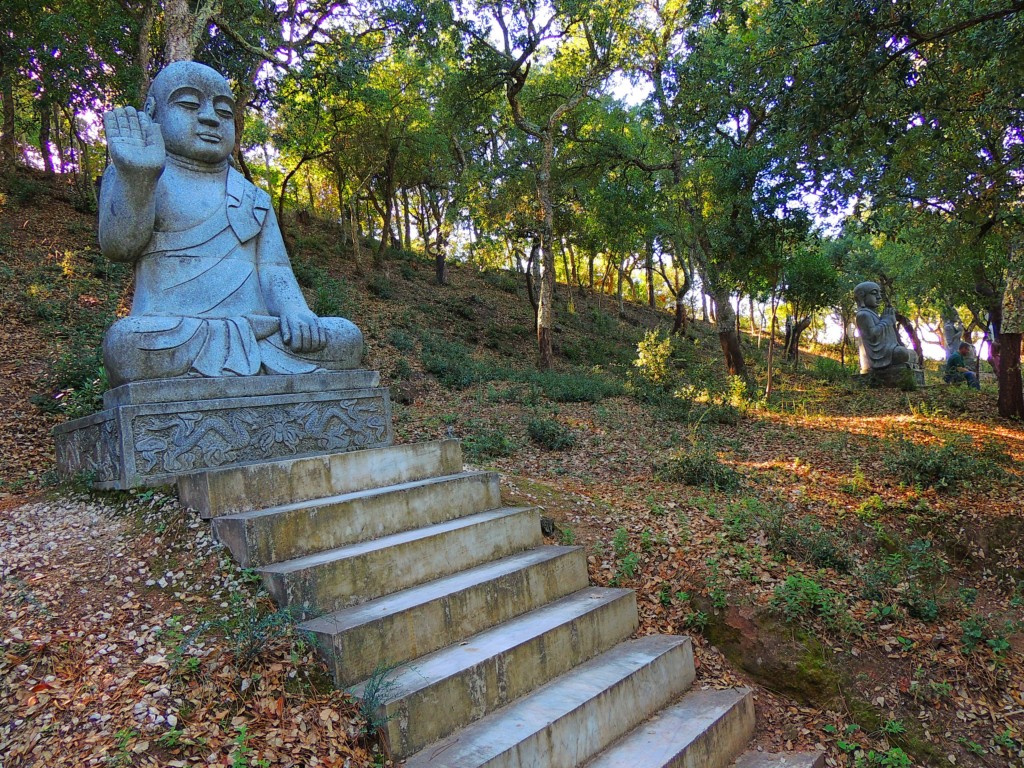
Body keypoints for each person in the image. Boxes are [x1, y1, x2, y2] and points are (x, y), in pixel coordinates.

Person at [98, 61, 362, 387]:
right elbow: (119, 246)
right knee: (126, 344)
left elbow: (275, 268)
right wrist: (138, 178)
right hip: (179, 330)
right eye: (190, 104)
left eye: (223, 112)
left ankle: (249, 364)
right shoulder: (138, 173)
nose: (209, 117)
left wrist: (297, 312)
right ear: (152, 112)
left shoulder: (252, 197)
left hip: (257, 331)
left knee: (346, 338)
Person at [854, 281, 918, 373]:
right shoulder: (863, 315)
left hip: (888, 350)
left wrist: (890, 321)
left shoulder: (874, 314)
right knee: (902, 353)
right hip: (878, 356)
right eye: (874, 293)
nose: (879, 297)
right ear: (862, 297)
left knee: (913, 354)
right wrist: (886, 321)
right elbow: (872, 335)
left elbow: (889, 337)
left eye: (880, 294)